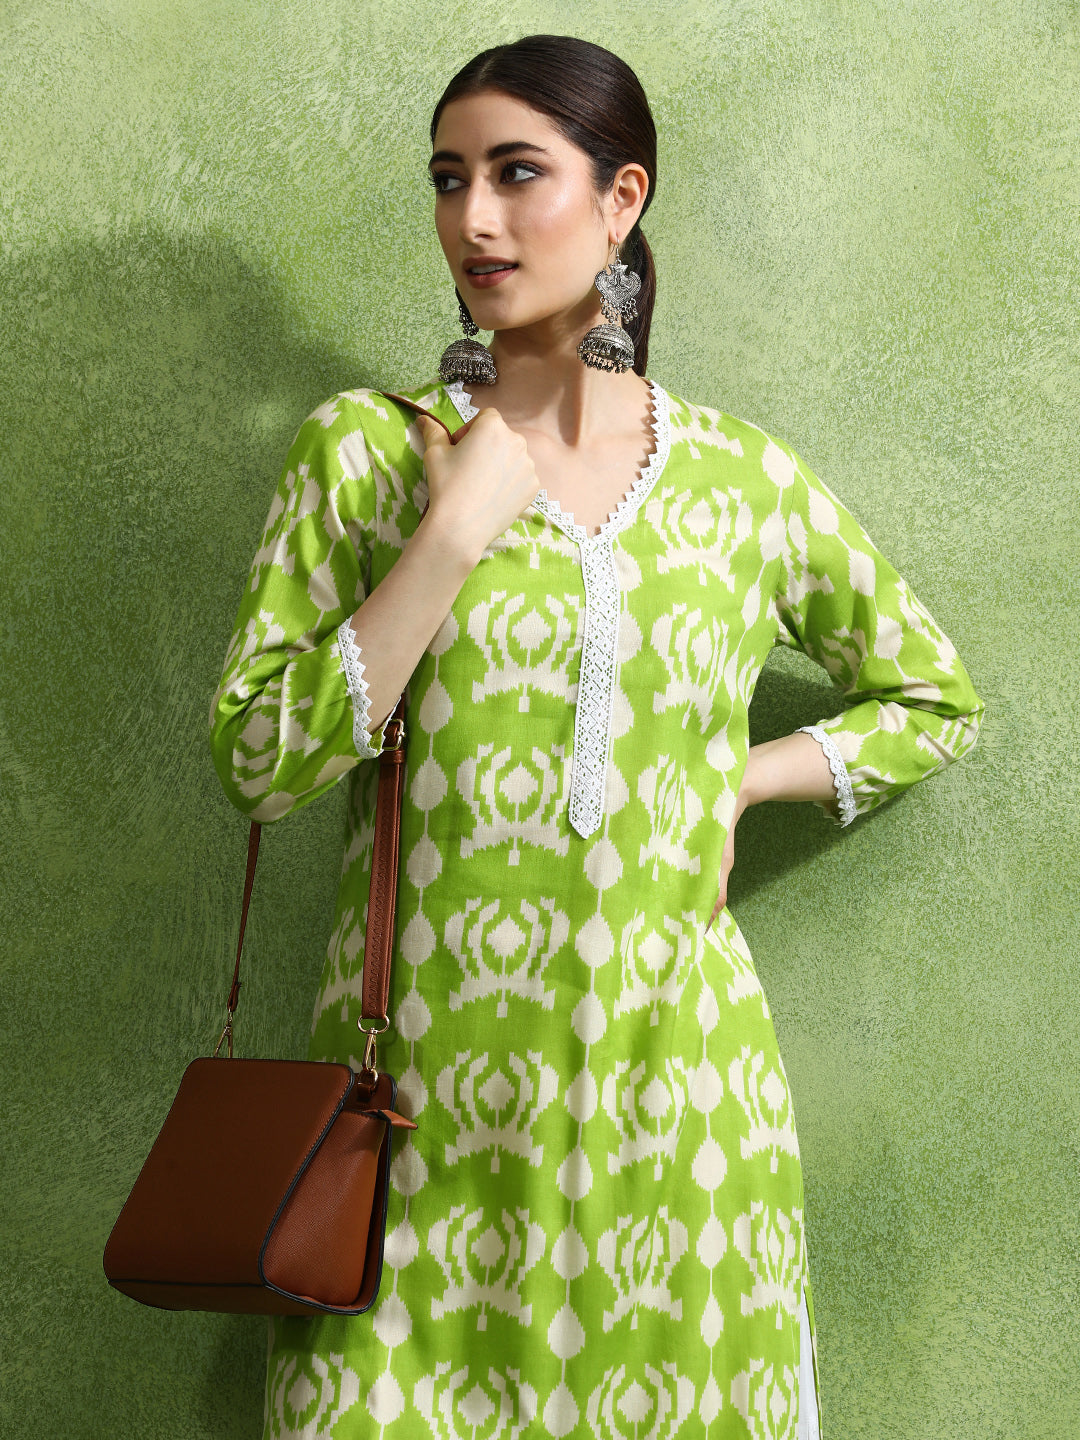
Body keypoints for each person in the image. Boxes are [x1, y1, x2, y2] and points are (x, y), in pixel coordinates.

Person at [209, 34, 983, 1440]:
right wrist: (452, 531)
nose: (474, 219)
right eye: (449, 179)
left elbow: (935, 700)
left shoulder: (745, 484)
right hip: (411, 1138)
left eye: (518, 174)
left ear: (622, 200)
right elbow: (260, 765)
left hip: (680, 1131)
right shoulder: (366, 454)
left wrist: (737, 781)